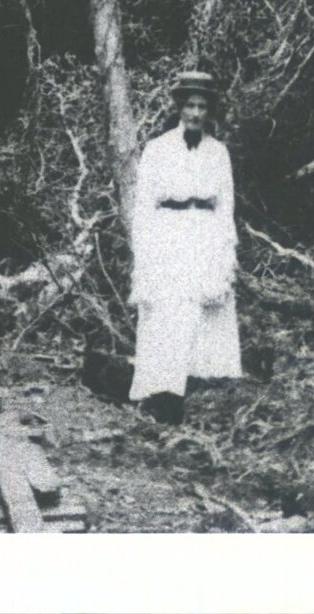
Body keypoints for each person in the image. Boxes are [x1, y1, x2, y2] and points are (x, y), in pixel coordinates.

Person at [128, 71, 243, 420]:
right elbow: (143, 206)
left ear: (209, 111)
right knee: (166, 312)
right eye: (189, 105)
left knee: (204, 312)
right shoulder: (157, 149)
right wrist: (144, 253)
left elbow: (226, 207)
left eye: (201, 107)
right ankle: (161, 396)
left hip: (205, 234)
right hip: (168, 235)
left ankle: (200, 396)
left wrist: (226, 252)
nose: (195, 113)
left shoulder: (218, 153)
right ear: (179, 107)